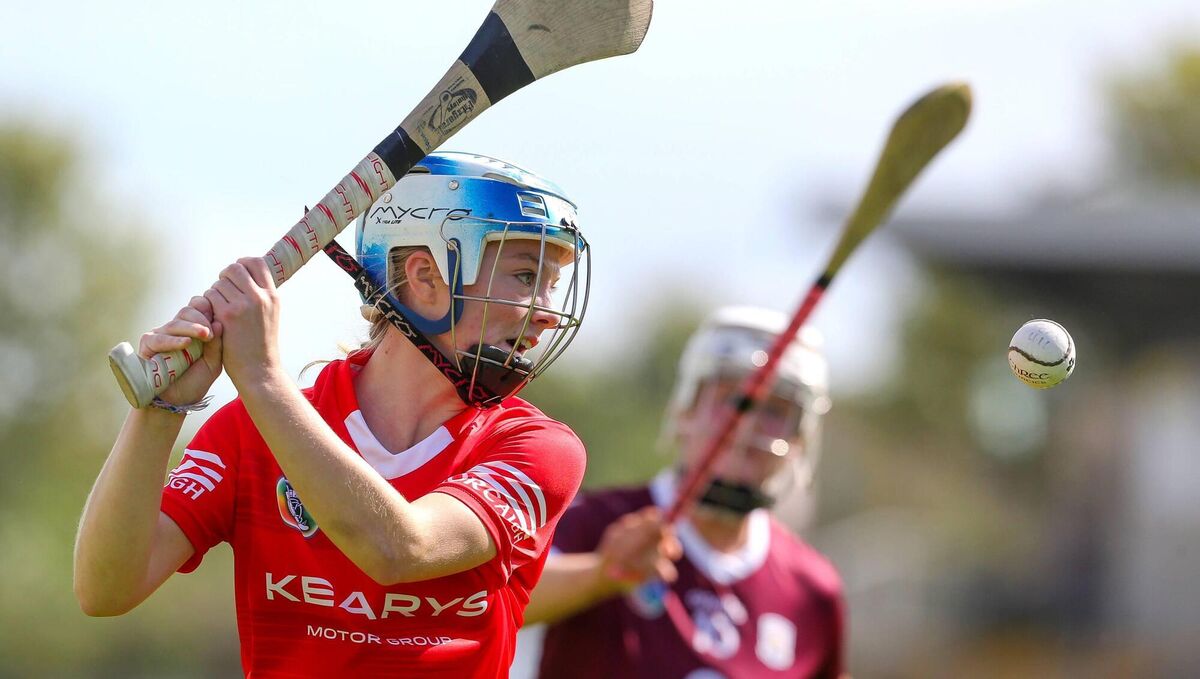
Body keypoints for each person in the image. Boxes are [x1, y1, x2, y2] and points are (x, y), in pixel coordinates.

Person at [74, 152, 592, 677]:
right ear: (426, 276)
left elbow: (398, 550)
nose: (548, 313)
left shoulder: (538, 450)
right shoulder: (251, 429)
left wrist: (261, 377)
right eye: (526, 276)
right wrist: (160, 412)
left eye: (551, 284)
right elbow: (106, 590)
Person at [526, 306, 847, 679]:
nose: (746, 425)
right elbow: (496, 600)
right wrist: (599, 575)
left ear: (799, 438)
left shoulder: (813, 588)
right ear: (686, 409)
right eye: (731, 399)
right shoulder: (593, 521)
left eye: (776, 410)